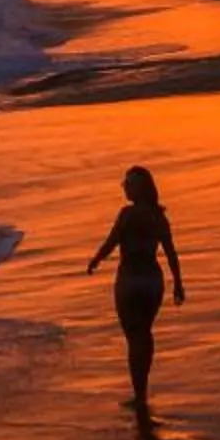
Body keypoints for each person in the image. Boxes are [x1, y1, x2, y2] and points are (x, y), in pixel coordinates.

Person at [86, 164, 184, 405]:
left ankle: (138, 393)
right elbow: (171, 253)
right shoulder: (159, 217)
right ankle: (143, 387)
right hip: (152, 280)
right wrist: (178, 284)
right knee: (145, 334)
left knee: (133, 337)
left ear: (139, 189)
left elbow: (111, 242)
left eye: (128, 184)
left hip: (130, 280)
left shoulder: (127, 215)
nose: (125, 188)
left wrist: (95, 260)